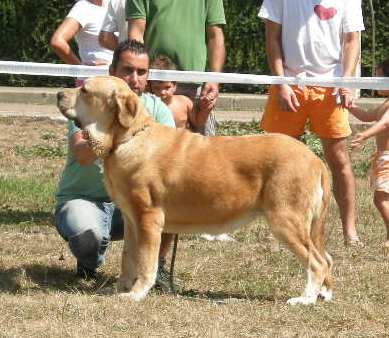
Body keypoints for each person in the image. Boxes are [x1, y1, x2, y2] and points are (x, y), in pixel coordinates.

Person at [54, 40, 176, 291]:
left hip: (128, 203)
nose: (134, 79)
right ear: (112, 71)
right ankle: (89, 262)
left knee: (164, 206)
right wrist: (106, 134)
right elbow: (83, 155)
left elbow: (171, 165)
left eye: (141, 72)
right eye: (127, 70)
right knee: (88, 235)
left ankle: (156, 268)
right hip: (86, 199)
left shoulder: (158, 110)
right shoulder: (86, 104)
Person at [258, 0, 365, 246]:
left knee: (339, 160)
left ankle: (350, 231)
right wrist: (281, 82)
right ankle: (275, 227)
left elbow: (351, 40)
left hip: (331, 87)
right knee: (275, 159)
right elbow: (272, 38)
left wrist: (346, 82)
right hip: (289, 83)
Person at [126, 0, 226, 136]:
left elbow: (215, 35)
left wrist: (214, 79)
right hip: (153, 84)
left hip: (195, 84)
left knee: (201, 151)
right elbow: (136, 32)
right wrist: (141, 77)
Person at [348, 58, 389, 251]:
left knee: (380, 199)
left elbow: (384, 124)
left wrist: (364, 135)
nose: (374, 81)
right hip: (383, 157)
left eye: (379, 78)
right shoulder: (384, 103)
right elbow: (367, 116)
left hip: (388, 159)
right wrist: (349, 105)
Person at [50, 0, 113, 86]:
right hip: (92, 85)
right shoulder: (82, 8)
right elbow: (57, 41)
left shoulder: (116, 4)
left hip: (118, 80)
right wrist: (81, 69)